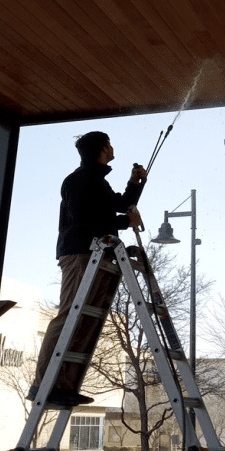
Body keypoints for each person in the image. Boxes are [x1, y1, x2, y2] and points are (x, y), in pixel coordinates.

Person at [28, 131, 147, 408]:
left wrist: (135, 184)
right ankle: (42, 384)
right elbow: (86, 218)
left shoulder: (95, 182)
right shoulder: (78, 181)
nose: (113, 147)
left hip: (93, 254)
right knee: (70, 314)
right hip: (80, 253)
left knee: (84, 318)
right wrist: (123, 223)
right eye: (110, 144)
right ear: (103, 148)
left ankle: (64, 386)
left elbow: (116, 205)